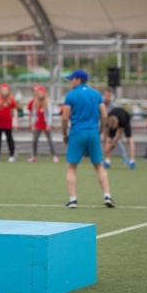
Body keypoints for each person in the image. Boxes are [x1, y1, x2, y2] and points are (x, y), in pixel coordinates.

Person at [61, 69, 115, 209]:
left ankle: (73, 200)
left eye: (72, 79)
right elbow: (105, 115)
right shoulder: (96, 94)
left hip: (77, 133)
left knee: (72, 167)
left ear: (78, 80)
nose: (71, 81)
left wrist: (64, 134)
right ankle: (107, 196)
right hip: (92, 133)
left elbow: (65, 117)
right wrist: (100, 131)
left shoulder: (71, 95)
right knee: (99, 165)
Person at [27, 86, 58, 163]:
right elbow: (34, 114)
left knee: (50, 140)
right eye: (39, 93)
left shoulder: (47, 103)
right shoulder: (35, 103)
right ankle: (34, 156)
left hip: (45, 124)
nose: (40, 94)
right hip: (38, 124)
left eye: (42, 93)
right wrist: (33, 124)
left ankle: (54, 156)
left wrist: (49, 124)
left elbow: (49, 115)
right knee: (34, 140)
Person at [0, 83, 18, 162]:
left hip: (8, 123)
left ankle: (12, 154)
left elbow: (14, 111)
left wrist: (15, 121)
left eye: (5, 90)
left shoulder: (11, 100)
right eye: (3, 90)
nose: (4, 91)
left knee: (9, 139)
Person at [102, 88, 130, 165]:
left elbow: (115, 120)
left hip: (111, 125)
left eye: (109, 96)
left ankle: (124, 157)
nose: (107, 98)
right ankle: (105, 158)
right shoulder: (100, 104)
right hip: (101, 124)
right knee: (103, 139)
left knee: (115, 140)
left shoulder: (113, 107)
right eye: (106, 96)